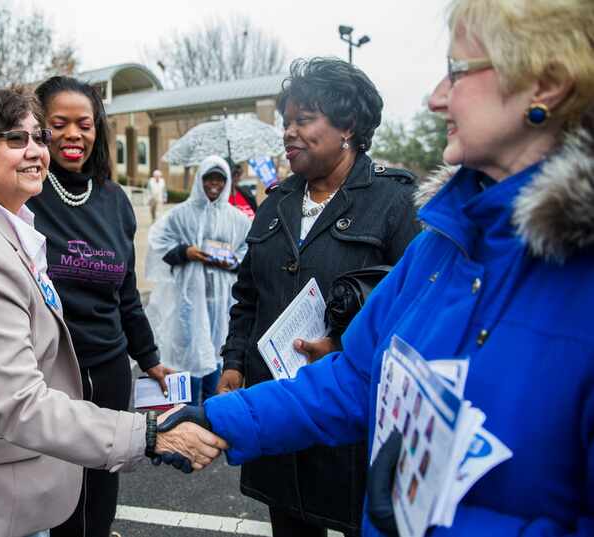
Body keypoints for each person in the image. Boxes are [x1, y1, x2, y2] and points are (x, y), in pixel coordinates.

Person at [197, 0, 594, 534]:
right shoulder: (446, 245)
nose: (435, 99)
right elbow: (357, 375)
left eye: (457, 72)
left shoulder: (403, 208)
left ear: (546, 85)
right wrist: (217, 417)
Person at [0, 87, 225, 537]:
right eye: (18, 139)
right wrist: (152, 435)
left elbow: (126, 295)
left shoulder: (22, 220)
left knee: (92, 511)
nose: (38, 149)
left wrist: (150, 358)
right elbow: (19, 403)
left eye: (37, 137)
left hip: (78, 394)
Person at [214, 57, 421, 537]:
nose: (289, 132)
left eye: (304, 120)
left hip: (352, 422)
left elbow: (416, 312)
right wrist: (233, 364)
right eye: (286, 121)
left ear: (347, 125)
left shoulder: (394, 201)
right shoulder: (275, 203)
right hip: (278, 408)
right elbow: (248, 298)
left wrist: (348, 348)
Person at [145, 156, 251, 406]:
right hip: (189, 300)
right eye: (209, 177)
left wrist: (233, 260)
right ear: (199, 180)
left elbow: (250, 250)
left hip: (222, 300)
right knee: (188, 356)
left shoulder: (237, 218)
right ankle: (186, 415)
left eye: (220, 178)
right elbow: (157, 243)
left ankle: (212, 416)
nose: (214, 183)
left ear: (226, 182)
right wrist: (186, 252)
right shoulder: (181, 214)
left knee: (218, 353)